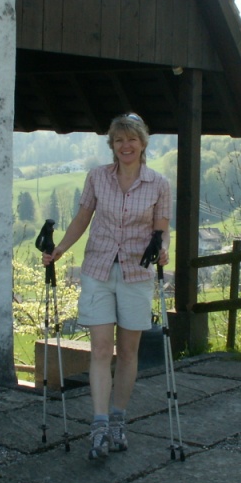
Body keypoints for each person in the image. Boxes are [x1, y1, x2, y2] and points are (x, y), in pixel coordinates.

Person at [42, 112, 171, 460]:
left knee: (128, 352)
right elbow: (83, 218)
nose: (125, 146)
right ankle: (98, 426)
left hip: (136, 274)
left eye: (131, 139)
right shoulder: (97, 177)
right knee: (100, 350)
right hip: (98, 270)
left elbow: (161, 228)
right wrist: (60, 249)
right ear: (112, 145)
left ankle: (118, 420)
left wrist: (163, 249)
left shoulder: (159, 184)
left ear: (142, 143)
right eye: (119, 140)